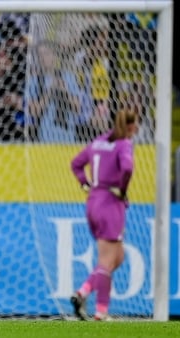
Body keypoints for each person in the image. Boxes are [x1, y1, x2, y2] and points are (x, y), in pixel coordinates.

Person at [69, 109, 138, 321]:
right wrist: (123, 189)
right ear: (130, 126)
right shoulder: (124, 144)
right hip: (110, 203)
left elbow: (76, 163)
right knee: (107, 260)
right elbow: (127, 167)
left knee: (118, 257)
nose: (137, 129)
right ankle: (101, 311)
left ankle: (84, 292)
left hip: (93, 202)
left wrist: (85, 184)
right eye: (136, 125)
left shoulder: (98, 142)